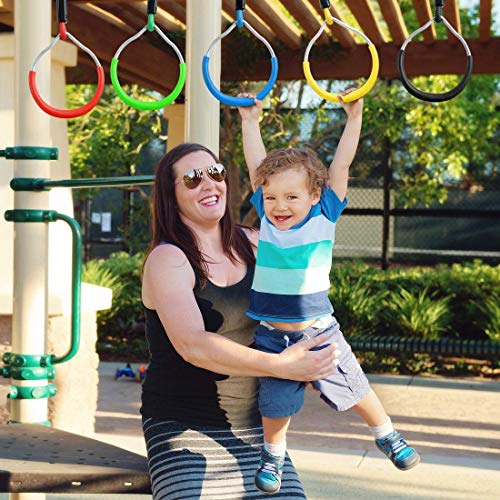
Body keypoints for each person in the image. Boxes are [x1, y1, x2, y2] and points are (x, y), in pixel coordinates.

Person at [238, 92, 420, 495]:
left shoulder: (324, 215)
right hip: (271, 335)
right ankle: (274, 454)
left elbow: (341, 164)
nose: (279, 206)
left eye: (291, 197)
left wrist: (353, 116)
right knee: (275, 404)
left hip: (319, 332)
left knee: (355, 388)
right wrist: (250, 122)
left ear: (315, 196)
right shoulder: (268, 221)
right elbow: (256, 167)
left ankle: (387, 433)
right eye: (270, 198)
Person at [140, 142, 341, 499]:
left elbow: (300, 291)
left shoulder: (254, 243)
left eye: (215, 173)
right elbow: (193, 345)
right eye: (191, 178)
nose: (208, 184)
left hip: (255, 428)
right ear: (171, 196)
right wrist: (282, 366)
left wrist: (314, 352)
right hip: (185, 425)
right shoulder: (167, 259)